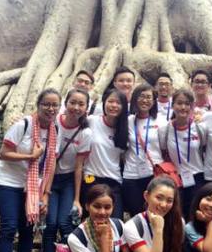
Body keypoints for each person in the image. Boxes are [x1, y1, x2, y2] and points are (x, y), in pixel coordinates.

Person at [0, 88, 60, 252]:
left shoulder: (53, 130)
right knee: (9, 227)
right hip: (7, 181)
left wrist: (45, 194)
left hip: (32, 186)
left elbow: (51, 163)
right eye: (46, 104)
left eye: (54, 105)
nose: (50, 108)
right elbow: (3, 153)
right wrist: (30, 155)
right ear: (38, 106)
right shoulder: (23, 125)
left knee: (28, 229)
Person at [43, 87, 92, 252]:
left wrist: (77, 199)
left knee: (65, 225)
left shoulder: (85, 132)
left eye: (81, 104)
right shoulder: (54, 124)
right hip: (49, 180)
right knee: (50, 225)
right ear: (66, 103)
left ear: (86, 108)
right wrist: (44, 191)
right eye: (73, 102)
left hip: (68, 181)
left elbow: (79, 167)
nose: (76, 107)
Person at [82, 89, 129, 219]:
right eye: (110, 101)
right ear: (104, 103)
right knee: (90, 219)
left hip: (113, 181)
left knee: (115, 221)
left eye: (118, 103)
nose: (114, 105)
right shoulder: (92, 121)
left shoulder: (125, 129)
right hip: (90, 177)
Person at [122, 84, 167, 217]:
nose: (145, 100)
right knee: (137, 215)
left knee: (156, 213)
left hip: (154, 173)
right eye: (141, 96)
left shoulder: (161, 121)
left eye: (149, 97)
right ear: (135, 98)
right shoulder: (127, 121)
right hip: (131, 175)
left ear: (154, 101)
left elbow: (165, 148)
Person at [164, 88, 204, 219]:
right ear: (172, 105)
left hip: (197, 176)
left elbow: (205, 149)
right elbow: (164, 152)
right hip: (175, 178)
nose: (183, 107)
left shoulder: (199, 128)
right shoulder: (164, 130)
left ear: (192, 106)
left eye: (187, 104)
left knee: (194, 216)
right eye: (179, 103)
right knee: (176, 216)